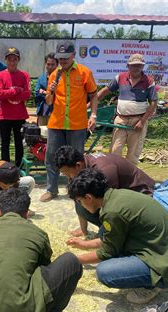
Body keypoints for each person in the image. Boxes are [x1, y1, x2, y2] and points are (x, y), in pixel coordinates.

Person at [66, 169, 168, 304]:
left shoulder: (112, 212)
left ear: (88, 197)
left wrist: (73, 260)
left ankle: (152, 285)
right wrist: (84, 244)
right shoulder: (116, 196)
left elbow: (107, 252)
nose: (81, 205)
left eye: (80, 201)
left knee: (104, 272)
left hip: (167, 264)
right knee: (103, 230)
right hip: (167, 251)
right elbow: (109, 238)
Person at [41, 40, 98, 202]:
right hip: (56, 123)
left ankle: (76, 190)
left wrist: (93, 115)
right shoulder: (54, 75)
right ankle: (51, 190)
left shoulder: (84, 72)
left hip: (77, 124)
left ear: (74, 55)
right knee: (51, 157)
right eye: (61, 58)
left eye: (66, 57)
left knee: (77, 160)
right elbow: (48, 102)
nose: (63, 61)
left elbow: (93, 95)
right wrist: (50, 92)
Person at [55, 145, 155, 237]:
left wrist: (105, 237)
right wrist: (83, 230)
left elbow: (112, 204)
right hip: (118, 195)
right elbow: (77, 198)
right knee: (80, 200)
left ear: (78, 165)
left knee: (106, 235)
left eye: (67, 173)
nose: (68, 177)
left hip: (139, 192)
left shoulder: (104, 171)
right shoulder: (79, 168)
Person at [97, 53, 158, 165]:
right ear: (128, 66)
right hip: (121, 120)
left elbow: (153, 103)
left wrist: (142, 121)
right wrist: (90, 104)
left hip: (138, 122)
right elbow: (105, 91)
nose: (136, 68)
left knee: (133, 154)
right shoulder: (120, 77)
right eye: (134, 65)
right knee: (115, 151)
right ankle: (114, 176)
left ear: (143, 66)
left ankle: (130, 179)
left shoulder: (149, 81)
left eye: (139, 65)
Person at [0, 47, 31, 168]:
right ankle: (6, 167)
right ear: (6, 60)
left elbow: (27, 94)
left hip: (19, 115)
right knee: (4, 142)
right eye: (9, 59)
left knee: (19, 142)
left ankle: (19, 166)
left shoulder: (24, 75)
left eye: (14, 59)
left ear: (18, 60)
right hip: (5, 115)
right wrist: (15, 90)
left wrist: (10, 92)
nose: (12, 62)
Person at [34, 53, 58, 126]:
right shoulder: (41, 78)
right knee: (41, 134)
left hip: (56, 112)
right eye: (48, 64)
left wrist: (44, 92)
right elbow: (37, 94)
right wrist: (49, 93)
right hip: (43, 112)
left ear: (57, 64)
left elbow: (59, 95)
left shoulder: (61, 78)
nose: (50, 66)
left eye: (52, 64)